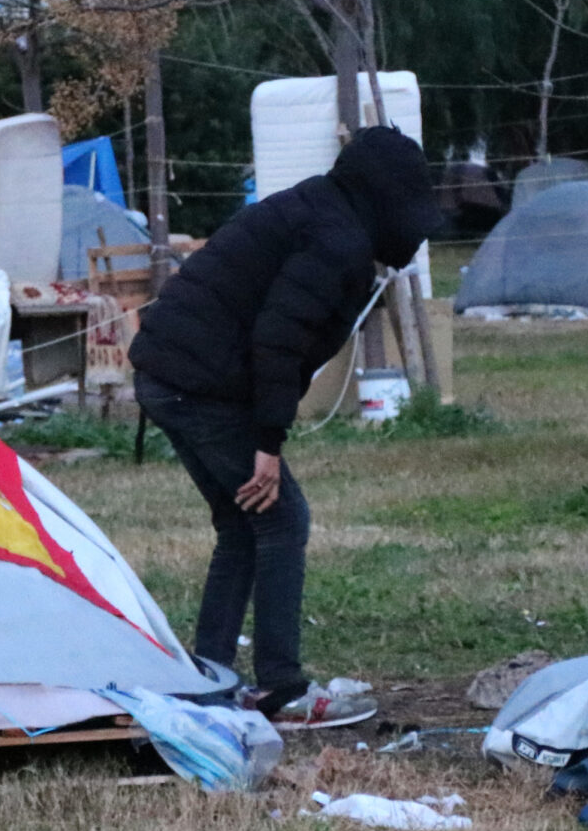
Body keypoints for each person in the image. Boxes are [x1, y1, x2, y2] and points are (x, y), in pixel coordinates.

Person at [130, 125, 444, 726]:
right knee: (281, 518)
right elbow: (278, 341)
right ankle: (281, 687)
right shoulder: (336, 242)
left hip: (171, 372)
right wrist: (266, 444)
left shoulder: (319, 212)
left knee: (243, 523)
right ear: (384, 198)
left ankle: (210, 680)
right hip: (196, 382)